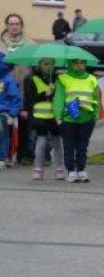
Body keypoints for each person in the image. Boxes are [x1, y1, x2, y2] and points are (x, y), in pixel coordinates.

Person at [53, 58, 99, 182]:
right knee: (69, 145)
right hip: (69, 118)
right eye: (76, 62)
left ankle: (81, 169)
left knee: (82, 146)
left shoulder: (92, 79)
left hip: (87, 118)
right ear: (70, 64)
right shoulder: (63, 78)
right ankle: (71, 170)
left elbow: (95, 98)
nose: (79, 65)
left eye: (82, 62)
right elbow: (59, 98)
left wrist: (95, 115)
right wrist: (58, 115)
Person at [2, 13, 35, 165]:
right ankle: (6, 154)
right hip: (4, 89)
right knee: (4, 122)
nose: (14, 26)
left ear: (21, 26)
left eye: (17, 24)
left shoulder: (30, 45)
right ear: (6, 26)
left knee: (24, 121)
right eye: (11, 24)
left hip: (24, 87)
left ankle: (24, 153)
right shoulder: (1, 45)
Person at [24, 57, 65, 180]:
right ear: (40, 65)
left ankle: (59, 168)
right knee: (41, 142)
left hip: (54, 116)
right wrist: (45, 94)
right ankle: (38, 168)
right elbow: (30, 99)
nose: (48, 66)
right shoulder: (32, 79)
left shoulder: (57, 79)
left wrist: (54, 92)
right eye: (45, 64)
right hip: (40, 116)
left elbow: (61, 97)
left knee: (57, 143)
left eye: (51, 64)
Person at [0, 53, 23, 170]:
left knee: (2, 136)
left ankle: (2, 158)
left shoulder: (8, 80)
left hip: (3, 113)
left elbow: (17, 98)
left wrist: (12, 114)